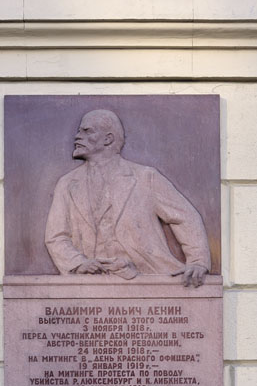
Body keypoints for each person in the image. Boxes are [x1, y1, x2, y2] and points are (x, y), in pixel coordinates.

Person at [45, 109, 211, 287]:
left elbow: (185, 217)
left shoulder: (146, 177)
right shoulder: (67, 183)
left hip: (149, 275)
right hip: (90, 282)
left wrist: (197, 261)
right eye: (79, 131)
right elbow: (56, 235)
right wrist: (78, 263)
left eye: (87, 131)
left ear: (108, 139)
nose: (77, 136)